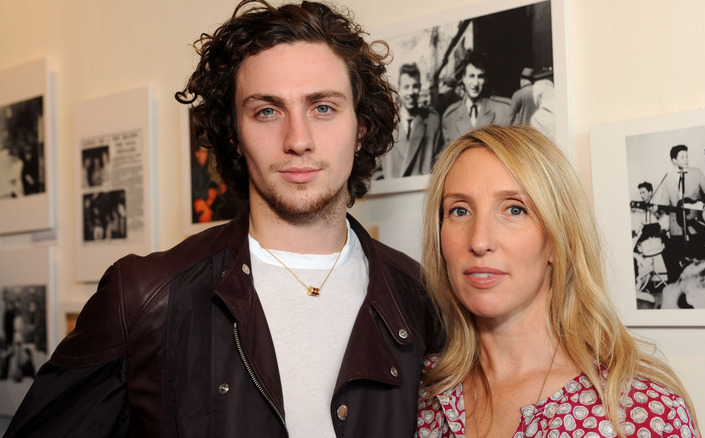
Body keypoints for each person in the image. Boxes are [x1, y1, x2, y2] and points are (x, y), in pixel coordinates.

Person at [6, 1, 436, 437]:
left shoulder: (419, 298)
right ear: (233, 134)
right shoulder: (143, 298)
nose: (298, 140)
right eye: (267, 111)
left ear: (361, 127)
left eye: (323, 107)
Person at [416, 125, 698, 438]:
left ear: (556, 239)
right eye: (459, 210)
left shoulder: (638, 413)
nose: (479, 241)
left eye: (514, 209)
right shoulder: (417, 396)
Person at [653, 144, 705, 282]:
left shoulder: (697, 173)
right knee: (679, 261)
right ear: (674, 160)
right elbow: (664, 204)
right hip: (676, 226)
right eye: (682, 157)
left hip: (695, 223)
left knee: (699, 259)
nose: (686, 159)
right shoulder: (667, 178)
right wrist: (657, 209)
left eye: (687, 156)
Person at [375, 63, 441, 179]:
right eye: (406, 87)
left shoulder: (432, 121)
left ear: (420, 87)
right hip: (394, 193)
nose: (411, 92)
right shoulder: (386, 124)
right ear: (399, 89)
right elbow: (376, 170)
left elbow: (439, 163)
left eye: (415, 86)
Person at [441, 49, 515, 144]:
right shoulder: (450, 117)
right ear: (464, 78)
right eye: (471, 76)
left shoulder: (504, 110)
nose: (475, 83)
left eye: (480, 77)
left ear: (486, 79)